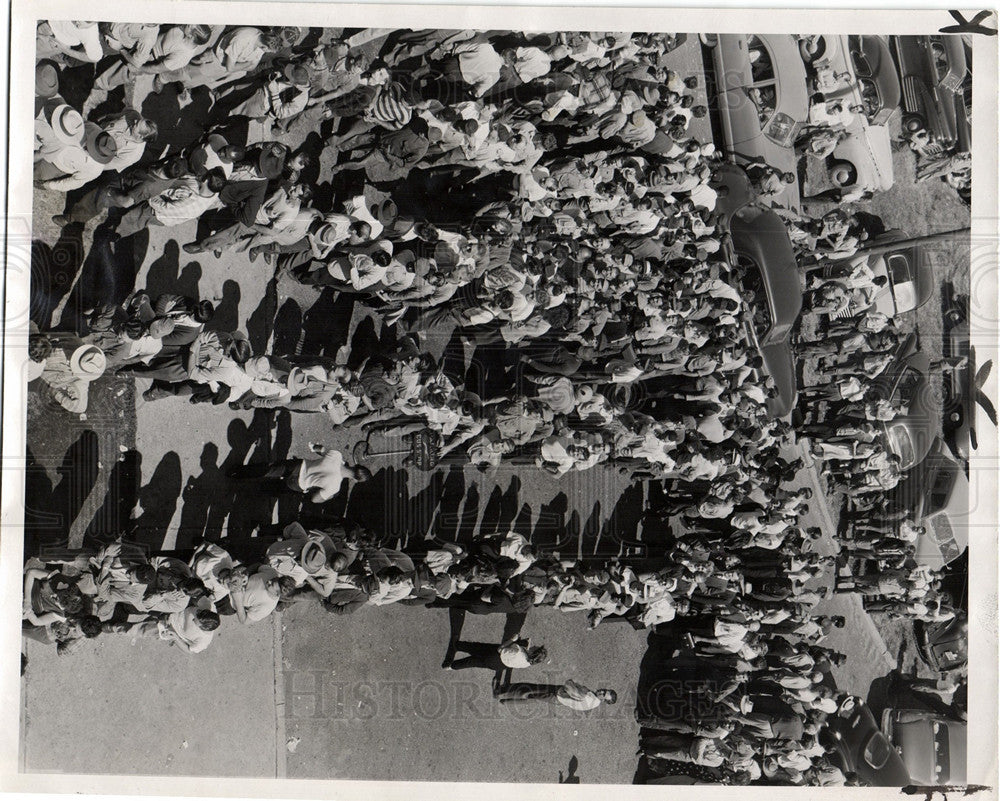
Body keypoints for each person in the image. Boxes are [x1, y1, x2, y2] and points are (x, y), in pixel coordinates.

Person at [497, 679, 617, 711]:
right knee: (532, 698)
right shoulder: (594, 702)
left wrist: (572, 682)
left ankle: (501, 693)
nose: (601, 691)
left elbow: (568, 687)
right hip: (560, 700)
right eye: (604, 690)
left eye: (603, 694)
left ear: (604, 701)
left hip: (556, 694)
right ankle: (506, 702)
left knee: (529, 690)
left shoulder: (590, 698)